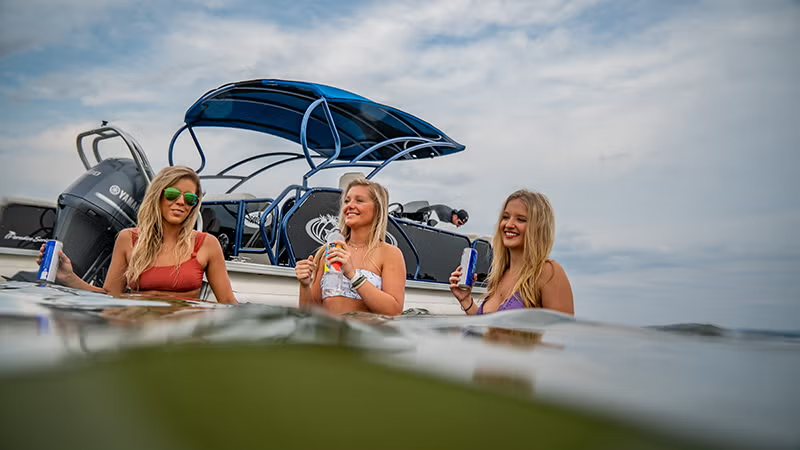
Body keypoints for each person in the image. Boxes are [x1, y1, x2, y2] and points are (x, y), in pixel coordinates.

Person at [37, 166, 238, 304]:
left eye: (190, 198)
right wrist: (68, 277)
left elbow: (228, 303)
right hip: (138, 333)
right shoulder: (128, 239)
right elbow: (110, 296)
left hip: (183, 340)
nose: (180, 202)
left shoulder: (207, 244)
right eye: (171, 194)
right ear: (157, 196)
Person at [448, 190, 573, 315]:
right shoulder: (499, 275)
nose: (508, 224)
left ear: (538, 228)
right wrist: (466, 300)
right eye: (506, 217)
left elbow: (563, 332)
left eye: (520, 219)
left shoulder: (548, 272)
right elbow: (486, 331)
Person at [295, 178, 406, 315]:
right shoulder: (329, 250)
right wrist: (304, 285)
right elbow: (310, 313)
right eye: (347, 201)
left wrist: (352, 275)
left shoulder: (390, 253)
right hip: (328, 333)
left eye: (359, 200)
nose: (350, 206)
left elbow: (394, 311)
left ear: (377, 209)